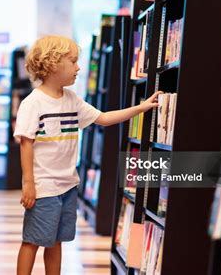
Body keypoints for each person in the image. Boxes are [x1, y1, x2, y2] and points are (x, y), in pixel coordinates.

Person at [14, 36, 162, 275]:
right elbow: (26, 143)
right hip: (43, 188)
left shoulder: (72, 100)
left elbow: (103, 118)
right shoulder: (34, 103)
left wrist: (141, 108)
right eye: (72, 61)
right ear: (53, 64)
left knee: (56, 240)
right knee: (32, 240)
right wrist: (29, 184)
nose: (78, 67)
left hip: (68, 186)